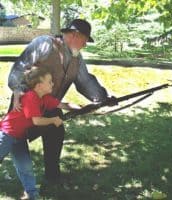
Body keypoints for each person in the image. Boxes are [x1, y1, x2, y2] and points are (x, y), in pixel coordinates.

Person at [7, 18, 115, 186]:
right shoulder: (44, 44)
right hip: (25, 107)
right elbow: (19, 69)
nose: (85, 45)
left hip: (50, 106)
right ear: (74, 35)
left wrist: (102, 98)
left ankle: (52, 176)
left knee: (56, 129)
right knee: (9, 141)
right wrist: (19, 90)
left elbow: (85, 81)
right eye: (84, 41)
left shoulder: (76, 59)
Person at [0, 67, 80, 200]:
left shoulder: (45, 98)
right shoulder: (31, 97)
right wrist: (53, 120)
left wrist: (87, 108)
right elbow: (36, 121)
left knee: (25, 167)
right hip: (7, 133)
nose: (52, 84)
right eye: (49, 81)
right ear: (39, 85)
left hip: (19, 137)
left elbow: (64, 105)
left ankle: (32, 195)